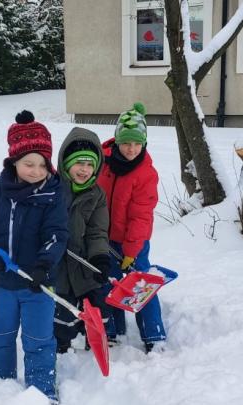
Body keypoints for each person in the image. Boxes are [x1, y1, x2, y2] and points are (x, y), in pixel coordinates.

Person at [0, 110, 68, 403]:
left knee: (39, 339)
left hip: (39, 284)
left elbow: (57, 234)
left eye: (42, 164)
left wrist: (44, 265)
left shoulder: (53, 194)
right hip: (2, 283)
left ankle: (42, 392)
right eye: (28, 164)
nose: (36, 171)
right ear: (13, 162)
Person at [96, 102, 167, 354]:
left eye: (137, 143)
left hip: (134, 241)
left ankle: (154, 335)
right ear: (117, 140)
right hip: (104, 239)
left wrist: (131, 250)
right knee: (107, 283)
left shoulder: (146, 174)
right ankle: (113, 330)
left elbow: (141, 216)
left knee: (140, 287)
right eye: (126, 142)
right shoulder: (102, 163)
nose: (131, 149)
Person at [52, 127, 113, 353]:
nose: (85, 170)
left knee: (98, 304)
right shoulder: (52, 189)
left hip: (84, 261)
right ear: (66, 163)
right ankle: (61, 346)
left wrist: (99, 257)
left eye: (90, 164)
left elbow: (97, 231)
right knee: (63, 310)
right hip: (57, 262)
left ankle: (93, 341)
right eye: (79, 163)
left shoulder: (97, 195)